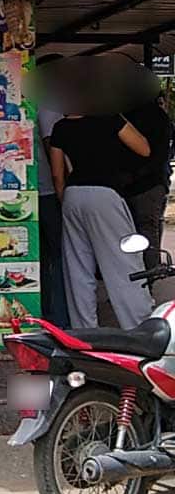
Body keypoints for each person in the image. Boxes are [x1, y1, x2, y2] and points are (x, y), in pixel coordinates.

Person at [49, 112, 153, 329]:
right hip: (105, 194)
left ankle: (84, 331)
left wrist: (64, 201)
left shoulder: (60, 127)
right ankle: (139, 327)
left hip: (73, 195)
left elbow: (57, 175)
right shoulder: (109, 117)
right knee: (123, 264)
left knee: (77, 269)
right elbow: (144, 148)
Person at [122, 96, 173, 271]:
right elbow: (162, 154)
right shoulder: (159, 117)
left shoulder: (124, 115)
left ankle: (139, 274)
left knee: (131, 233)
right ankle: (150, 275)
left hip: (133, 183)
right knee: (148, 230)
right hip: (151, 182)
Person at [37, 106, 70, 328]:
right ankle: (58, 318)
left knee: (40, 256)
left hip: (31, 192)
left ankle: (44, 312)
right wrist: (64, 193)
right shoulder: (49, 106)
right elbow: (53, 150)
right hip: (48, 191)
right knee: (59, 256)